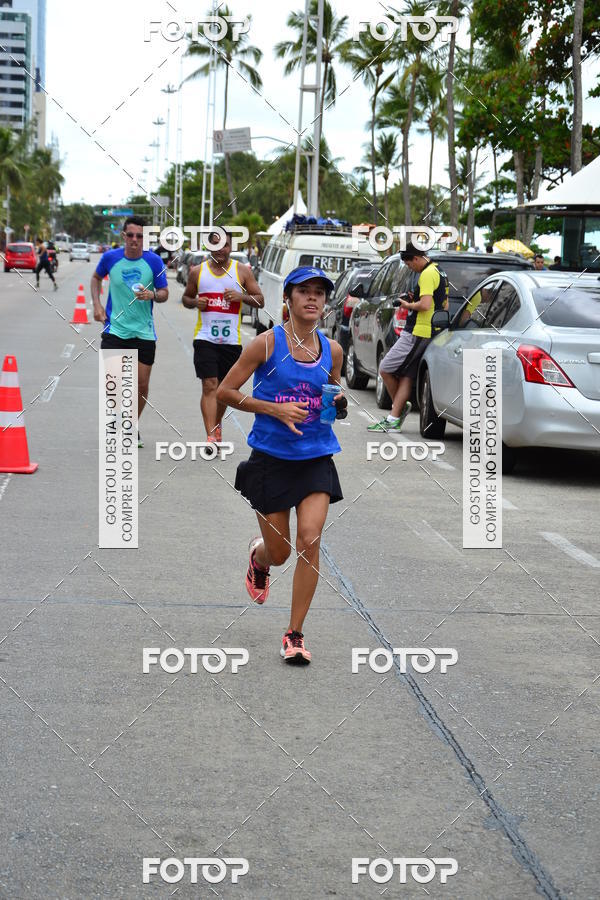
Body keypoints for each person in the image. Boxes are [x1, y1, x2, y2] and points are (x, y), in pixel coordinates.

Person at [217, 266, 347, 665]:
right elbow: (225, 391)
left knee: (310, 539)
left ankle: (294, 634)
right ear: (287, 299)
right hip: (272, 458)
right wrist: (272, 408)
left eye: (320, 293)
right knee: (281, 551)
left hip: (315, 457)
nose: (313, 299)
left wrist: (338, 406)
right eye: (304, 292)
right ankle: (259, 557)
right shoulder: (265, 345)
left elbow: (333, 402)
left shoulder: (333, 351)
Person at [91, 216, 169, 448]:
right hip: (115, 329)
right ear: (124, 236)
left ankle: (131, 425)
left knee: (141, 385)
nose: (135, 240)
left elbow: (164, 292)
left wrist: (152, 295)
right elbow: (96, 278)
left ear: (145, 239)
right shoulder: (110, 258)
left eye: (140, 236)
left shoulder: (154, 262)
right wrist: (96, 305)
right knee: (113, 383)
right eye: (131, 235)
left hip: (144, 333)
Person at [182, 229, 264, 443]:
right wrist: (194, 302)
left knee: (223, 390)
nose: (220, 250)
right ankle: (211, 435)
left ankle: (216, 425)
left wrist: (241, 296)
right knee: (209, 384)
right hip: (204, 338)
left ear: (230, 247)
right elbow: (186, 298)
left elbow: (260, 300)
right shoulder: (197, 272)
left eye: (225, 245)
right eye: (215, 245)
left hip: (231, 342)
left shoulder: (242, 272)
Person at [368, 242, 449, 433]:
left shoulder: (428, 274)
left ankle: (398, 409)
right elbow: (444, 306)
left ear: (416, 257)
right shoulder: (440, 271)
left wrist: (406, 305)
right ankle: (394, 417)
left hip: (419, 331)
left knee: (386, 368)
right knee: (406, 375)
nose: (409, 268)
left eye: (409, 264)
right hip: (428, 330)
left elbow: (426, 305)